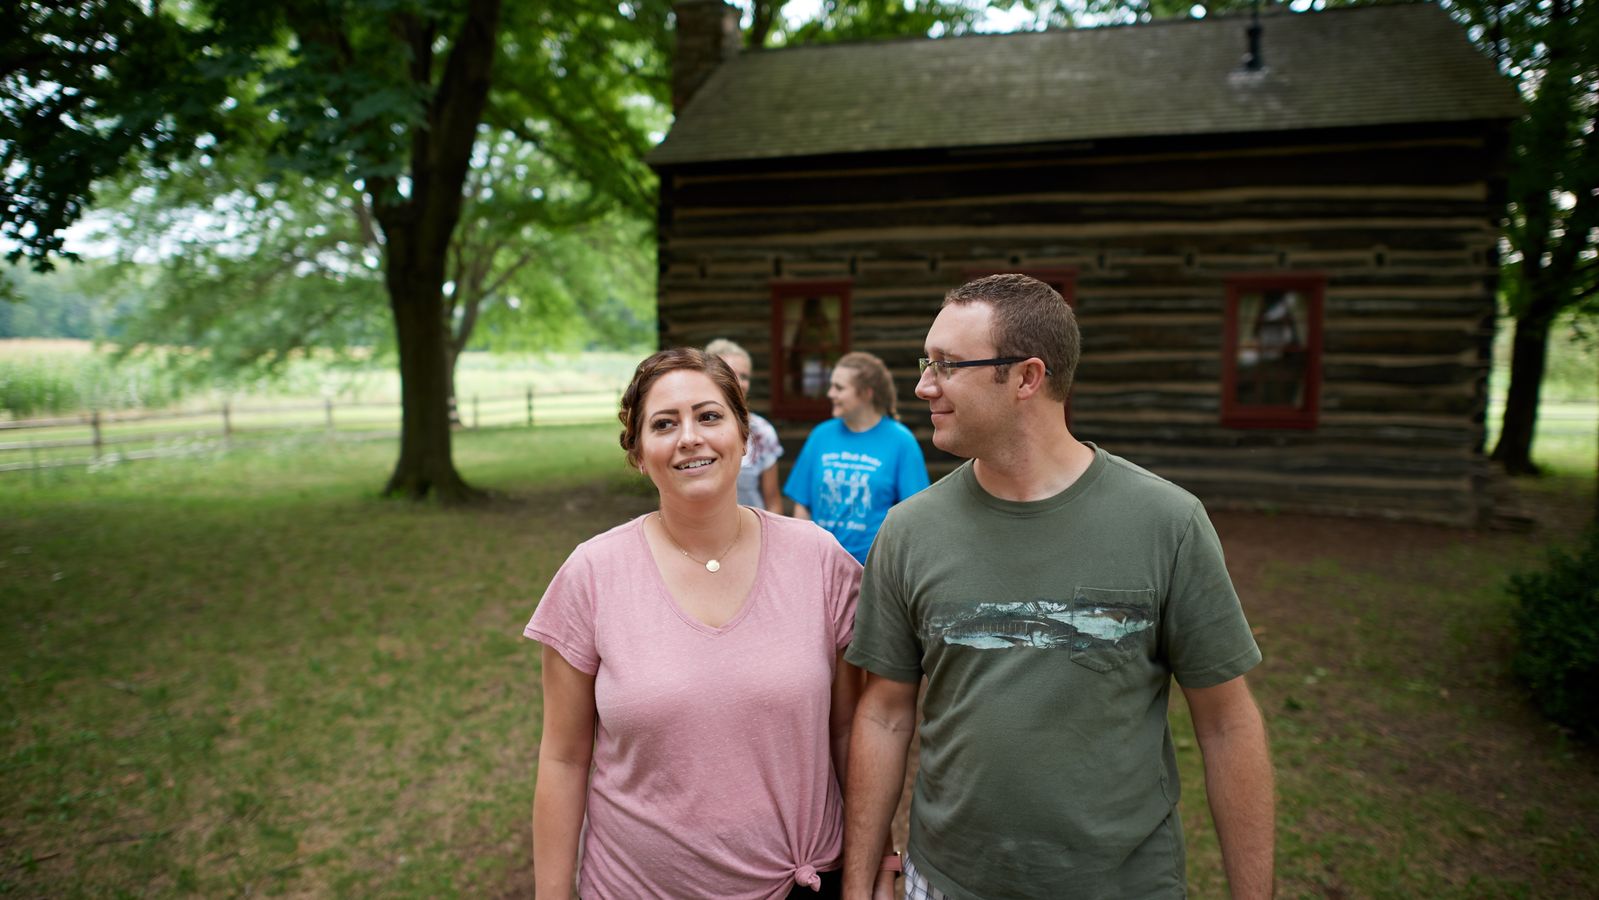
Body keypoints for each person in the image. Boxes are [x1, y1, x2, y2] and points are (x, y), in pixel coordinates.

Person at [841, 275, 1275, 899]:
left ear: (1026, 377)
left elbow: (1228, 725)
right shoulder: (909, 532)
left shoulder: (1166, 523)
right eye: (924, 362)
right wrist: (859, 884)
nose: (922, 385)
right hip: (947, 883)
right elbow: (883, 716)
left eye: (946, 365)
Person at [526, 348, 891, 900]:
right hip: (636, 888)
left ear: (745, 437)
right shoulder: (591, 573)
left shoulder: (819, 560)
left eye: (710, 416)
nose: (689, 437)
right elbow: (562, 757)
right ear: (639, 453)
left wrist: (873, 866)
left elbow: (850, 733)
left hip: (801, 881)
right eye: (664, 424)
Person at [784, 351, 930, 564]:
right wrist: (804, 554)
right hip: (820, 564)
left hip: (874, 568)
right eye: (831, 386)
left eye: (839, 388)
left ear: (866, 393)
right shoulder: (821, 435)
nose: (830, 394)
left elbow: (914, 514)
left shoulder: (901, 441)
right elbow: (802, 505)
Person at [707, 338, 785, 513]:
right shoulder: (691, 431)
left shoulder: (762, 431)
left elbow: (772, 499)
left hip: (752, 532)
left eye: (745, 376)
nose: (740, 382)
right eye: (732, 374)